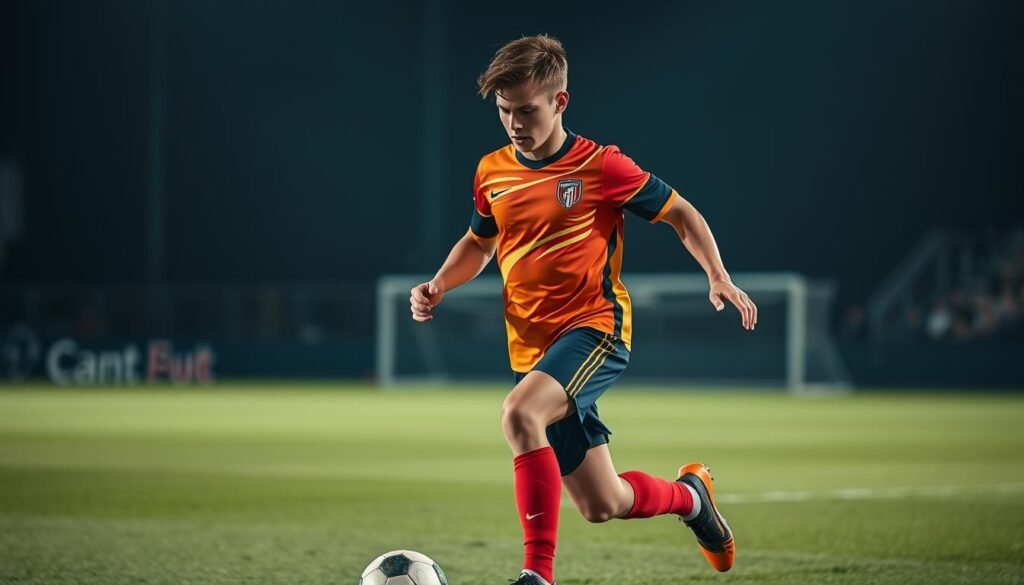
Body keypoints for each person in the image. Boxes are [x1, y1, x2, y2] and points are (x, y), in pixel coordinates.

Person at [409, 35, 757, 585]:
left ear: (559, 102)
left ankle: (536, 575)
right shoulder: (491, 171)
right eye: (504, 111)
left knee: (519, 416)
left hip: (594, 330)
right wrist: (439, 283)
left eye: (527, 110)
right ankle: (691, 499)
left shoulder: (601, 167)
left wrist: (718, 275)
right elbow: (479, 244)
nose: (515, 123)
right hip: (533, 349)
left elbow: (681, 213)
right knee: (604, 502)